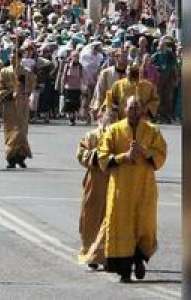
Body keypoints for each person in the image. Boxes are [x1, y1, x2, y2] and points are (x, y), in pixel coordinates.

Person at [97, 96, 167, 283]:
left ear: (142, 110)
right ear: (125, 109)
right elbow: (103, 157)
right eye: (131, 107)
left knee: (144, 226)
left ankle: (139, 260)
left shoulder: (152, 131)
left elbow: (161, 155)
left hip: (144, 188)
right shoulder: (114, 130)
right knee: (122, 225)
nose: (134, 110)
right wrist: (123, 157)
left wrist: (145, 151)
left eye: (137, 107)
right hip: (121, 189)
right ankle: (124, 270)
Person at [76, 110, 114, 269]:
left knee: (110, 219)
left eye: (114, 117)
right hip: (95, 182)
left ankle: (107, 255)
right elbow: (81, 153)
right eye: (108, 116)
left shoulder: (120, 135)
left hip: (113, 182)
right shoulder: (91, 136)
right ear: (100, 118)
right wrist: (96, 157)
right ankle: (91, 253)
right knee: (90, 218)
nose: (111, 119)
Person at [0, 47, 36, 169]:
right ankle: (11, 158)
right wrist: (9, 93)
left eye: (16, 58)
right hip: (9, 105)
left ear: (20, 59)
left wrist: (24, 90)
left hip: (22, 104)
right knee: (11, 131)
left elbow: (31, 86)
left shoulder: (27, 72)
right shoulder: (4, 71)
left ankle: (21, 156)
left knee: (22, 131)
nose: (13, 59)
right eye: (12, 57)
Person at [90, 50, 127, 117]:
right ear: (116, 58)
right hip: (109, 109)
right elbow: (99, 91)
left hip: (125, 110)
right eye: (123, 57)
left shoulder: (129, 74)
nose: (125, 59)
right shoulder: (106, 73)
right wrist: (97, 106)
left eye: (126, 57)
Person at [151, 37, 178, 123]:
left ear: (166, 46)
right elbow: (151, 67)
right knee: (159, 97)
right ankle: (159, 116)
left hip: (168, 79)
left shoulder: (170, 55)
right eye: (161, 45)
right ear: (158, 47)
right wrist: (158, 68)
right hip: (159, 79)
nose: (162, 47)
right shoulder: (155, 56)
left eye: (164, 45)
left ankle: (168, 116)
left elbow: (174, 67)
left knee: (168, 97)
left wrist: (175, 78)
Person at [60, 52, 84, 126]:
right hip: (69, 87)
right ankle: (71, 119)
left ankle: (74, 117)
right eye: (74, 56)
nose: (76, 58)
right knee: (69, 103)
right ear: (71, 57)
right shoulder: (67, 66)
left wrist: (83, 86)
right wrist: (62, 86)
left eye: (77, 56)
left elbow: (82, 76)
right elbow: (64, 76)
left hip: (77, 87)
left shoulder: (80, 66)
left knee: (76, 103)